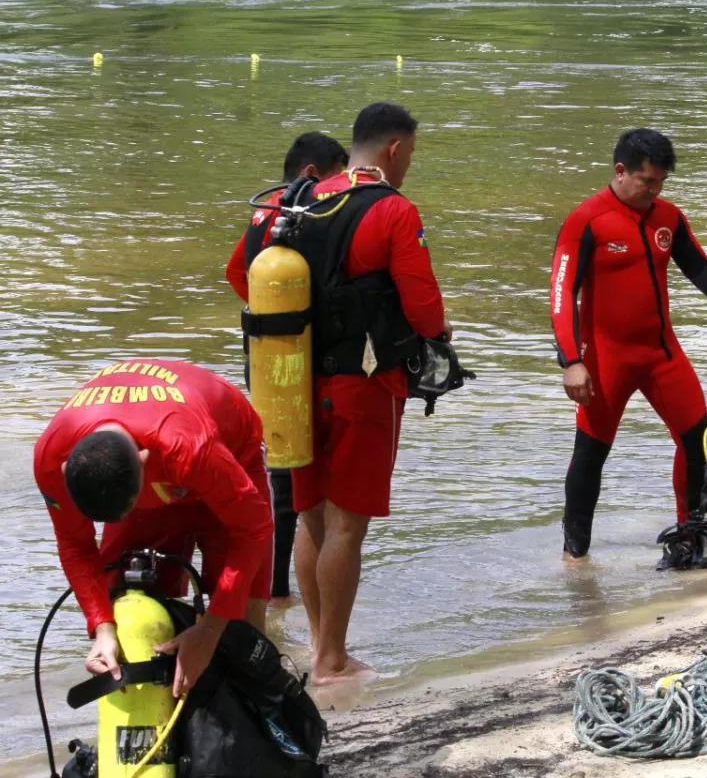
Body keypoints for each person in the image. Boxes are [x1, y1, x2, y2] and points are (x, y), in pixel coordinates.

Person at [550, 128, 707, 562]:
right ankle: (575, 557)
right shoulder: (586, 220)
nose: (654, 191)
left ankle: (692, 535)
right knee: (591, 454)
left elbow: (699, 267)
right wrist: (571, 361)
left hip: (661, 356)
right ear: (620, 171)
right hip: (607, 360)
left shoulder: (668, 217)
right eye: (647, 181)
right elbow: (561, 295)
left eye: (661, 183)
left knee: (697, 439)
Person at [291, 102, 449, 684]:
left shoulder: (298, 200)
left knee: (310, 514)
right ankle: (332, 659)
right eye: (411, 155)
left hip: (292, 384)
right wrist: (438, 334)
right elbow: (423, 306)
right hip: (364, 385)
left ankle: (317, 643)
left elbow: (241, 273)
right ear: (394, 149)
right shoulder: (392, 209)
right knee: (346, 525)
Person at [34, 359, 274, 698]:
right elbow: (75, 546)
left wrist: (209, 631)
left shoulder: (189, 447)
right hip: (156, 466)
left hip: (227, 451)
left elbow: (254, 529)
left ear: (143, 462)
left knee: (241, 628)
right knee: (127, 601)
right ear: (64, 472)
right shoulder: (50, 458)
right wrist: (102, 627)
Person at [225, 131, 348, 599]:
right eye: (335, 179)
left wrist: (268, 318)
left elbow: (235, 272)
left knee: (275, 467)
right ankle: (278, 589)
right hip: (297, 359)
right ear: (312, 173)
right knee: (292, 481)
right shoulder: (306, 213)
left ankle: (273, 587)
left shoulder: (263, 211)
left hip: (263, 353)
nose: (338, 189)